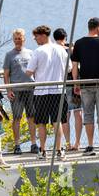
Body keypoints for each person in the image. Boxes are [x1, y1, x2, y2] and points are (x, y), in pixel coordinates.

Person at [69, 17, 99, 154]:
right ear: (98, 27)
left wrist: (76, 82)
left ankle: (89, 145)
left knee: (88, 114)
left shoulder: (79, 43)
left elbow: (75, 66)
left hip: (85, 84)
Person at [27, 25, 68, 157]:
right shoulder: (61, 50)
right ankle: (59, 149)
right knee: (57, 121)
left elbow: (29, 71)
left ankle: (43, 150)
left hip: (42, 91)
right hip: (59, 90)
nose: (35, 39)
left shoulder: (38, 51)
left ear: (43, 35)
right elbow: (68, 69)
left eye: (36, 36)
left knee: (41, 122)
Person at [3, 28, 34, 154]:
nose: (18, 41)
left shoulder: (31, 53)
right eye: (15, 38)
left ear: (24, 39)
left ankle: (34, 144)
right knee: (17, 117)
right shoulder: (9, 55)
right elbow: (6, 74)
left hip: (30, 89)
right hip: (16, 90)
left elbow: (36, 70)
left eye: (20, 38)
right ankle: (17, 145)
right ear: (13, 40)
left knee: (32, 117)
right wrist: (8, 89)